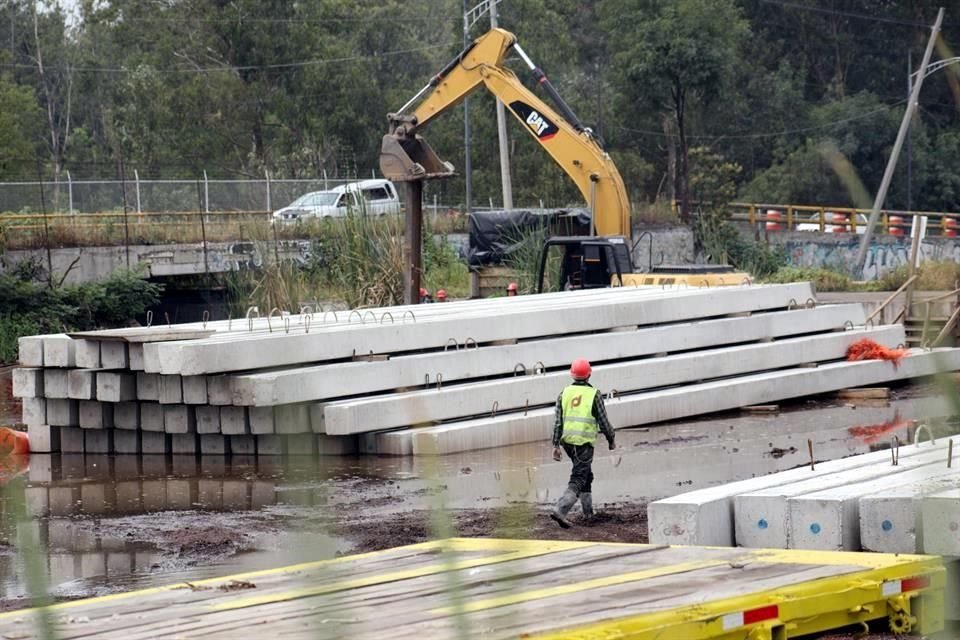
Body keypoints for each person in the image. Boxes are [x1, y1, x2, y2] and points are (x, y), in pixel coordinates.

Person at [549, 358, 616, 528]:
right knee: (579, 477)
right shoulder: (594, 394)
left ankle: (588, 513)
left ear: (572, 375)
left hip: (567, 443)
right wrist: (611, 439)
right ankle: (561, 509)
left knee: (586, 474)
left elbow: (558, 422)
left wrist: (555, 445)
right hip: (583, 444)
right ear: (589, 374)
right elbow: (604, 421)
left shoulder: (564, 393)